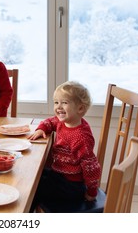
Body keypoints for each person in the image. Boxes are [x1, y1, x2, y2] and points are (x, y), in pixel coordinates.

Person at [27, 81, 101, 212]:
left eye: (64, 103)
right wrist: (41, 129)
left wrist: (92, 192)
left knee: (33, 189)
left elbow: (91, 167)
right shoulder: (63, 121)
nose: (59, 107)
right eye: (56, 102)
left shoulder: (81, 137)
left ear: (80, 109)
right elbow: (50, 121)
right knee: (33, 175)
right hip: (59, 175)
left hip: (72, 186)